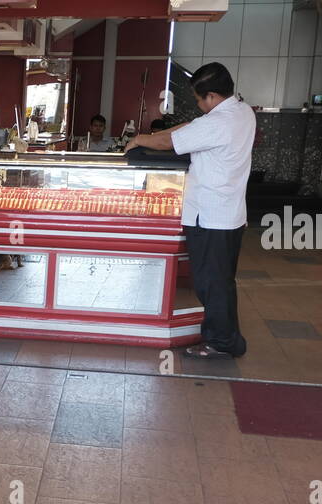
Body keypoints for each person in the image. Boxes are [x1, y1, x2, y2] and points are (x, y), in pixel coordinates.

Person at [126, 62, 254, 358]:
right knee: (222, 281)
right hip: (230, 214)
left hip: (211, 216)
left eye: (198, 99)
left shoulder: (217, 123)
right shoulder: (241, 112)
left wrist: (139, 140)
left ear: (210, 96)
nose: (198, 105)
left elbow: (170, 141)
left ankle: (221, 342)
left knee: (212, 283)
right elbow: (188, 129)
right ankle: (229, 338)